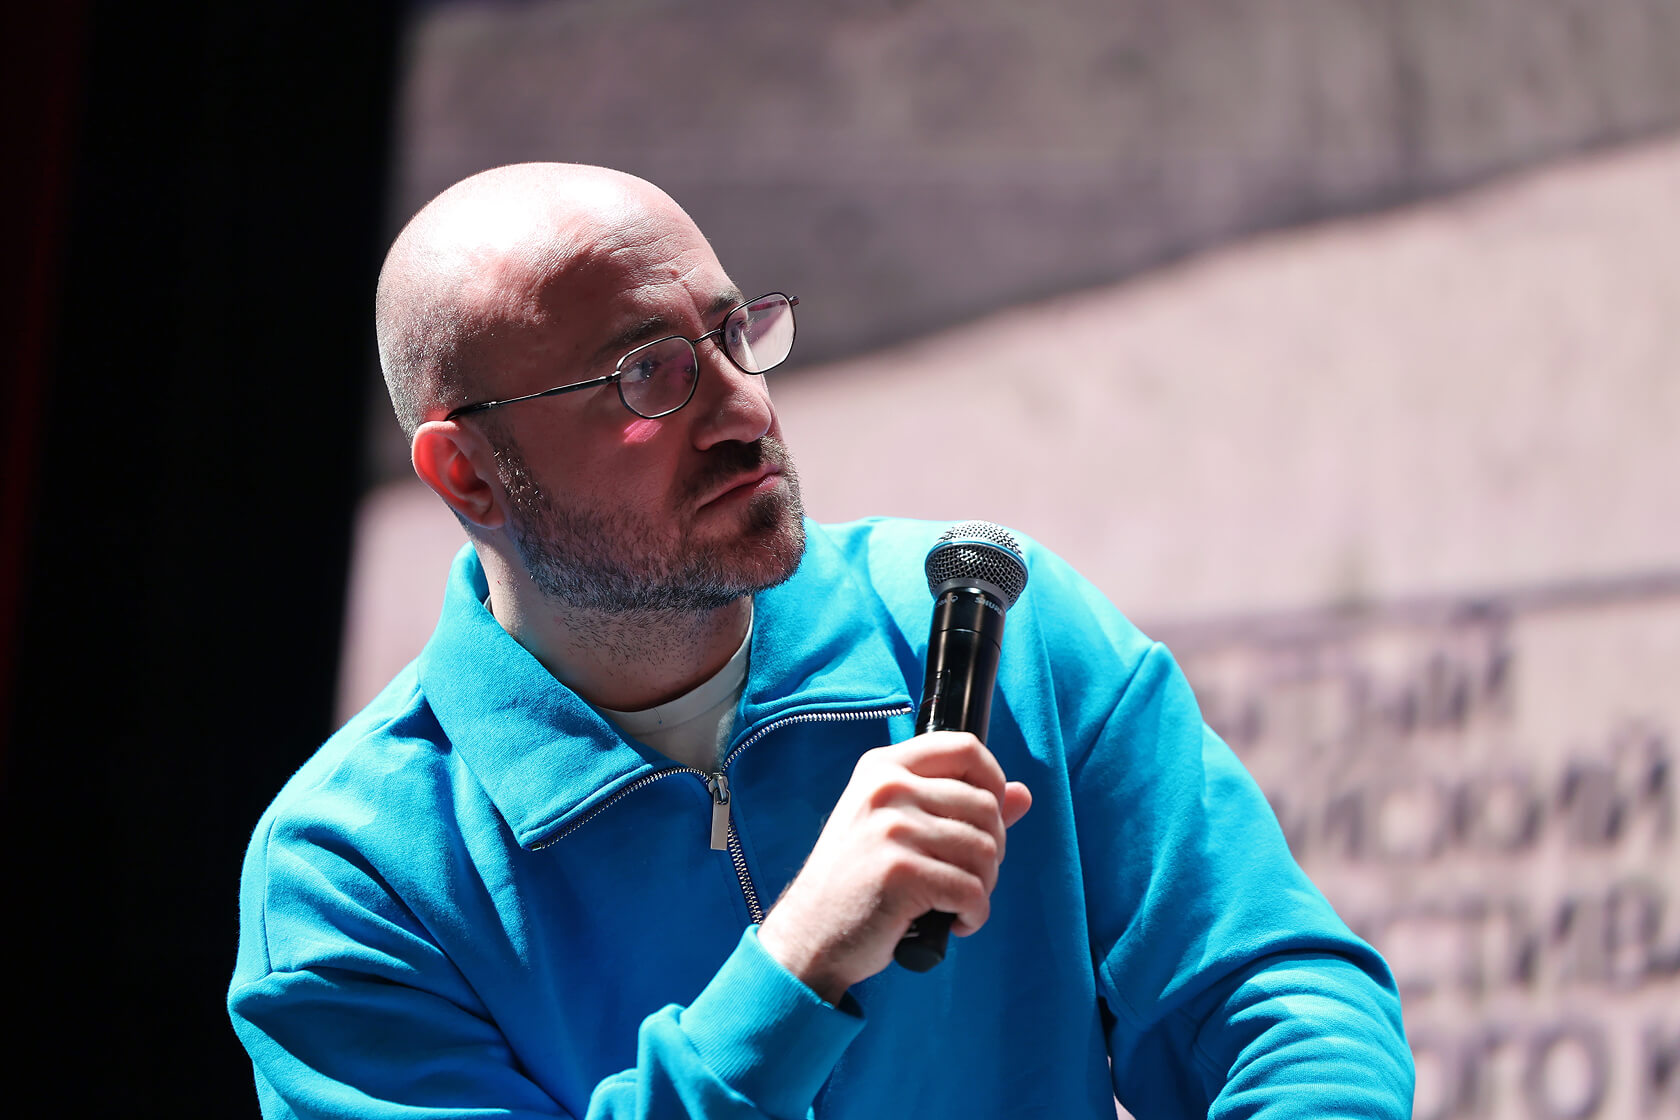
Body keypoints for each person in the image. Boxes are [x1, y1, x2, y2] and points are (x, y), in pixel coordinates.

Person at [228, 164, 1414, 1119]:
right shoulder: (354, 871)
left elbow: (1275, 999)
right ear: (469, 473)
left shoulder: (998, 629)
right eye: (649, 376)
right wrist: (793, 967)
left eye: (734, 334)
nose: (745, 408)